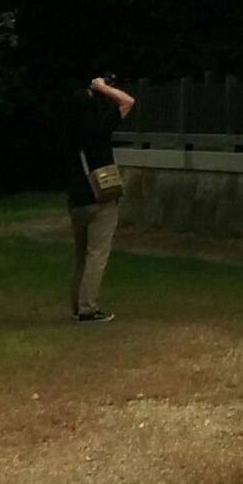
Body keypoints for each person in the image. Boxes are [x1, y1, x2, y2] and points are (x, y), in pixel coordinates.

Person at [64, 73, 133, 323]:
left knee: (81, 255)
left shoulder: (71, 130)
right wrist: (104, 88)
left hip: (77, 199)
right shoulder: (100, 125)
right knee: (97, 254)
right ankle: (88, 308)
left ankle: (77, 304)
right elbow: (128, 101)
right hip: (100, 196)